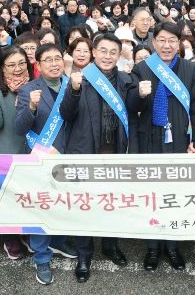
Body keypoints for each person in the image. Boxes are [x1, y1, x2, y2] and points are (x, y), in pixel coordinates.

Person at [59, 33, 144, 283]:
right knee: (84, 206)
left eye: (113, 52)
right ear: (94, 52)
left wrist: (141, 95)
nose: (107, 56)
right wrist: (74, 91)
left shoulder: (127, 79)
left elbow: (135, 109)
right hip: (86, 154)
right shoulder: (80, 79)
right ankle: (84, 256)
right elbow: (66, 114)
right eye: (103, 51)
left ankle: (110, 246)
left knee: (111, 204)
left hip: (116, 154)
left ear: (119, 55)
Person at [131, 22, 195, 272]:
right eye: (162, 40)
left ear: (179, 43)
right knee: (152, 194)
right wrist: (139, 95)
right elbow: (131, 107)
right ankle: (153, 247)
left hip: (180, 141)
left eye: (172, 40)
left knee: (176, 194)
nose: (167, 45)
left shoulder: (190, 69)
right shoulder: (142, 68)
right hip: (150, 139)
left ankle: (173, 246)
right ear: (153, 43)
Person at [15, 43, 78, 285]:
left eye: (57, 58)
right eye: (48, 60)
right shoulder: (28, 90)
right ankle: (41, 257)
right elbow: (19, 128)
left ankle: (59, 241)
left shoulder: (73, 84)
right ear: (38, 65)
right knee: (40, 207)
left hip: (67, 156)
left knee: (64, 204)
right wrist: (31, 107)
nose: (54, 63)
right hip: (39, 158)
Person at [0, 46, 32, 260]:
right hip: (6, 152)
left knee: (29, 197)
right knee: (8, 199)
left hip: (31, 152)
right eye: (11, 64)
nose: (18, 68)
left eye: (21, 63)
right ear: (2, 68)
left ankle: (27, 232)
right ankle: (10, 238)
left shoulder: (35, 86)